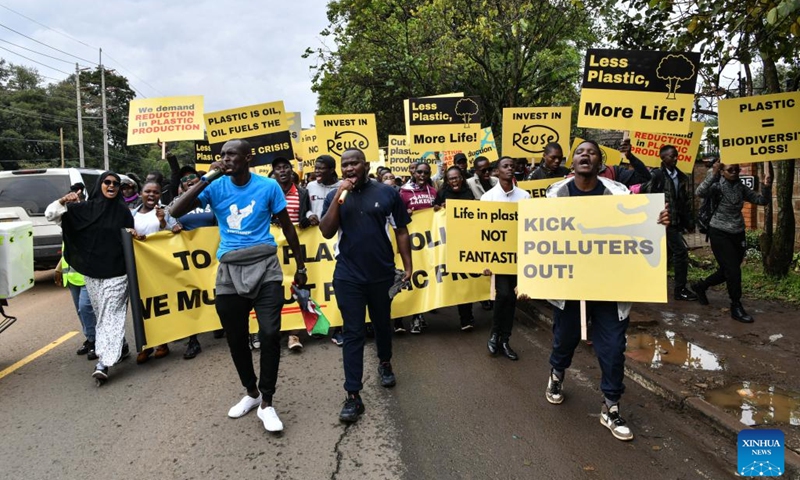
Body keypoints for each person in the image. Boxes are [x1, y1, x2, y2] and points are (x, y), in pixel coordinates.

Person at [170, 139, 307, 433]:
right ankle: (251, 392)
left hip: (266, 267)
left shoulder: (268, 187)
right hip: (230, 270)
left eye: (231, 154)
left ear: (248, 157)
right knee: (235, 337)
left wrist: (301, 265)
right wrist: (207, 176)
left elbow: (287, 226)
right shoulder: (215, 185)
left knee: (270, 334)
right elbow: (176, 211)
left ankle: (267, 403)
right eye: (222, 155)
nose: (225, 159)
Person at [543, 139, 670, 442]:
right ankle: (557, 374)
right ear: (571, 163)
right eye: (580, 152)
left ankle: (611, 406)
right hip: (569, 286)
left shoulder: (619, 194)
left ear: (600, 163)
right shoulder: (555, 195)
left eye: (592, 152)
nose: (585, 155)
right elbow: (540, 239)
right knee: (564, 339)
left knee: (613, 350)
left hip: (611, 289)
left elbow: (640, 230)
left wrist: (660, 222)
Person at [319, 148, 412, 424]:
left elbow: (402, 230)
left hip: (381, 274)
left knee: (382, 323)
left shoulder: (387, 193)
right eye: (344, 165)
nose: (349, 169)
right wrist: (338, 196)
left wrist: (408, 266)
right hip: (348, 276)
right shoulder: (334, 195)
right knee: (353, 332)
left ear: (366, 165)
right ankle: (353, 395)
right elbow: (326, 231)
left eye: (354, 163)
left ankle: (385, 363)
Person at [45, 172, 134, 383]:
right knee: (102, 314)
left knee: (111, 313)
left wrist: (134, 235)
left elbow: (132, 237)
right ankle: (120, 346)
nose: (111, 186)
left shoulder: (123, 211)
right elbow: (51, 215)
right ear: (99, 185)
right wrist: (62, 200)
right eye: (107, 182)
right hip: (93, 274)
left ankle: (103, 362)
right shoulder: (83, 210)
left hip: (118, 273)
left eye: (116, 184)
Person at [692, 161, 772, 323]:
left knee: (729, 270)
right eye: (730, 170)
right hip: (719, 232)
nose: (735, 172)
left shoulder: (741, 187)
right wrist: (714, 173)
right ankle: (736, 305)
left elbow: (762, 200)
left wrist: (766, 185)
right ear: (722, 171)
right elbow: (699, 192)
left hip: (738, 232)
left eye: (737, 169)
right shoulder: (716, 186)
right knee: (733, 271)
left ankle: (701, 286)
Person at [167, 166, 221, 357]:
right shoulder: (175, 203)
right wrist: (173, 227)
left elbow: (219, 221)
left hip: (212, 256)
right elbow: (168, 223)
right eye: (185, 179)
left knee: (216, 291)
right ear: (180, 186)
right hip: (187, 259)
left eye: (193, 178)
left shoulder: (209, 199)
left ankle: (218, 324)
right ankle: (193, 340)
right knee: (191, 298)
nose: (189, 180)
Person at [480, 157, 530, 360]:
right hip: (498, 258)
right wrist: (484, 261)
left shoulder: (524, 197)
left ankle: (504, 339)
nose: (510, 169)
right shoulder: (488, 198)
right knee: (504, 295)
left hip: (518, 257)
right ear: (496, 172)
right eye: (505, 166)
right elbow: (483, 231)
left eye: (512, 166)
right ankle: (495, 334)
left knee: (512, 299)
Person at [132, 180, 181, 363]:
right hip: (139, 266)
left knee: (159, 305)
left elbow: (175, 233)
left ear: (160, 195)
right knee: (141, 306)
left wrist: (163, 223)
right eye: (148, 191)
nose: (151, 195)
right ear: (141, 194)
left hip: (160, 267)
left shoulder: (167, 213)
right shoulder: (131, 214)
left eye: (156, 192)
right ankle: (145, 345)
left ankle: (162, 343)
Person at [643, 145, 697, 301]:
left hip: (673, 222)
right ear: (663, 157)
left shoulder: (679, 176)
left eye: (676, 156)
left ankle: (675, 289)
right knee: (679, 252)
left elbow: (683, 201)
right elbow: (646, 196)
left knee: (669, 254)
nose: (675, 158)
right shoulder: (656, 175)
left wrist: (688, 221)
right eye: (672, 156)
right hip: (659, 222)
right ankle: (678, 290)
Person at [272, 156, 311, 352]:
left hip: (296, 247)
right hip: (274, 249)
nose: (283, 171)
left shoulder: (303, 193)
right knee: (275, 289)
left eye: (286, 167)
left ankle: (294, 334)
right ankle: (274, 330)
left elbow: (308, 213)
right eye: (278, 168)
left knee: (295, 288)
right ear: (273, 172)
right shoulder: (267, 191)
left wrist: (307, 219)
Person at [305, 154, 345, 346]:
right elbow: (305, 209)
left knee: (336, 286)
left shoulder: (342, 187)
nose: (317, 171)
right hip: (315, 242)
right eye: (316, 168)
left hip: (337, 240)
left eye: (321, 168)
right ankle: (320, 325)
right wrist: (311, 214)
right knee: (319, 285)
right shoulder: (310, 187)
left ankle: (339, 327)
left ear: (332, 169)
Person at [433, 166, 476, 330]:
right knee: (452, 280)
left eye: (457, 177)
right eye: (451, 178)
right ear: (447, 180)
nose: (454, 181)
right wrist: (438, 209)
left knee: (465, 281)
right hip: (447, 243)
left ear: (462, 178)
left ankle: (466, 317)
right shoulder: (442, 193)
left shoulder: (469, 193)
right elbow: (433, 215)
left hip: (466, 242)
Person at [399, 161, 436, 334]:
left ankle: (420, 316)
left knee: (425, 280)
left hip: (429, 245)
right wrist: (404, 214)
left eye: (426, 173)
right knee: (413, 280)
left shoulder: (434, 192)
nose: (422, 175)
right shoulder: (404, 193)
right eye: (419, 172)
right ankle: (414, 316)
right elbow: (396, 217)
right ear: (414, 173)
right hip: (412, 244)